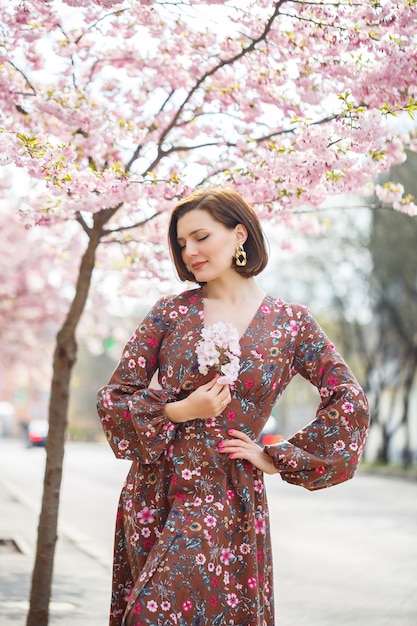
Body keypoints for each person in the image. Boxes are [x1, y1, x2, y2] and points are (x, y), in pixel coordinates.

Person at [96, 187, 370, 626]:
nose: (190, 252)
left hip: (229, 492)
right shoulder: (169, 314)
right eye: (182, 243)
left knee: (156, 615)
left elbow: (349, 400)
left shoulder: (291, 324)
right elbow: (114, 399)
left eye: (201, 237)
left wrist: (277, 458)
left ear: (239, 233)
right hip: (155, 490)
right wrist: (179, 410)